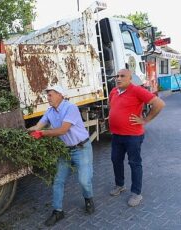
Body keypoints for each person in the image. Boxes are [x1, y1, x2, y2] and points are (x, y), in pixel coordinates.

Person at [28, 85, 94, 227]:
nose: (48, 97)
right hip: (64, 151)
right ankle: (58, 211)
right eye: (48, 95)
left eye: (50, 94)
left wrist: (42, 134)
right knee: (58, 180)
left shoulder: (71, 108)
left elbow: (63, 130)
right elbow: (38, 126)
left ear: (60, 94)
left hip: (81, 148)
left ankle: (88, 199)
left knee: (84, 180)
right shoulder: (50, 111)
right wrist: (25, 133)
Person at [108, 69, 165, 207]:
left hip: (133, 136)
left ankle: (136, 193)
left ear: (130, 78)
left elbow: (159, 104)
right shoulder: (114, 91)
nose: (118, 78)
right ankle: (120, 185)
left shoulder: (137, 90)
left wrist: (145, 120)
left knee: (134, 163)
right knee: (116, 160)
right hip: (117, 135)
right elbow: (112, 106)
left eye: (122, 76)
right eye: (117, 76)